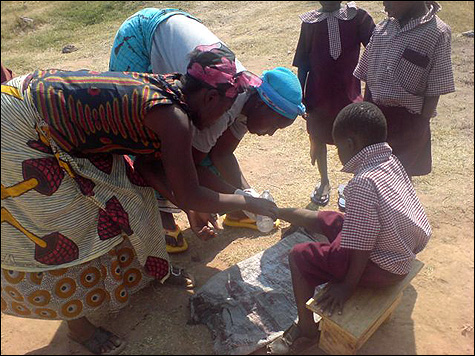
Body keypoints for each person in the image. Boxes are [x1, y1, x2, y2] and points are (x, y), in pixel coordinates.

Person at [1, 44, 278, 355]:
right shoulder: (174, 117)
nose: (222, 118)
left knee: (135, 196)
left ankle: (151, 270)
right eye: (226, 108)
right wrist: (248, 203)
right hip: (20, 122)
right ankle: (78, 327)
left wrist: (190, 207)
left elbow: (147, 166)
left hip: (57, 122)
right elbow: (190, 190)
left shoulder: (177, 94)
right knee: (68, 225)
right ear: (210, 97)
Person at [109, 8, 306, 252]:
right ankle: (161, 217)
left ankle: (230, 209)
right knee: (150, 138)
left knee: (196, 147)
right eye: (274, 124)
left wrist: (246, 194)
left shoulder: (249, 98)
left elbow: (221, 154)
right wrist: (239, 200)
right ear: (261, 104)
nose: (271, 133)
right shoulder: (226, 101)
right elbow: (189, 166)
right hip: (143, 36)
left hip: (173, 31)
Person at [266, 102, 432, 355]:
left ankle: (307, 330)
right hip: (399, 249)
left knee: (299, 256)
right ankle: (278, 211)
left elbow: (362, 247)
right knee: (332, 219)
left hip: (383, 266)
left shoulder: (363, 184)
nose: (338, 153)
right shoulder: (389, 161)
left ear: (351, 144)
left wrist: (347, 286)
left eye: (338, 146)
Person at [354, 1, 455, 178]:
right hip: (374, 119)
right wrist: (365, 115)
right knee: (369, 175)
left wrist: (420, 128)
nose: (384, 5)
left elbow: (435, 89)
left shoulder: (437, 33)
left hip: (407, 123)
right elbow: (368, 76)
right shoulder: (382, 29)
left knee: (398, 180)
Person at [293, 1, 375, 207]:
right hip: (317, 96)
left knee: (354, 139)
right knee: (319, 136)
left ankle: (354, 184)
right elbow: (303, 64)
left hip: (349, 94)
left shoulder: (357, 17)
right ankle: (324, 181)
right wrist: (300, 96)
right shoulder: (310, 23)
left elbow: (377, 48)